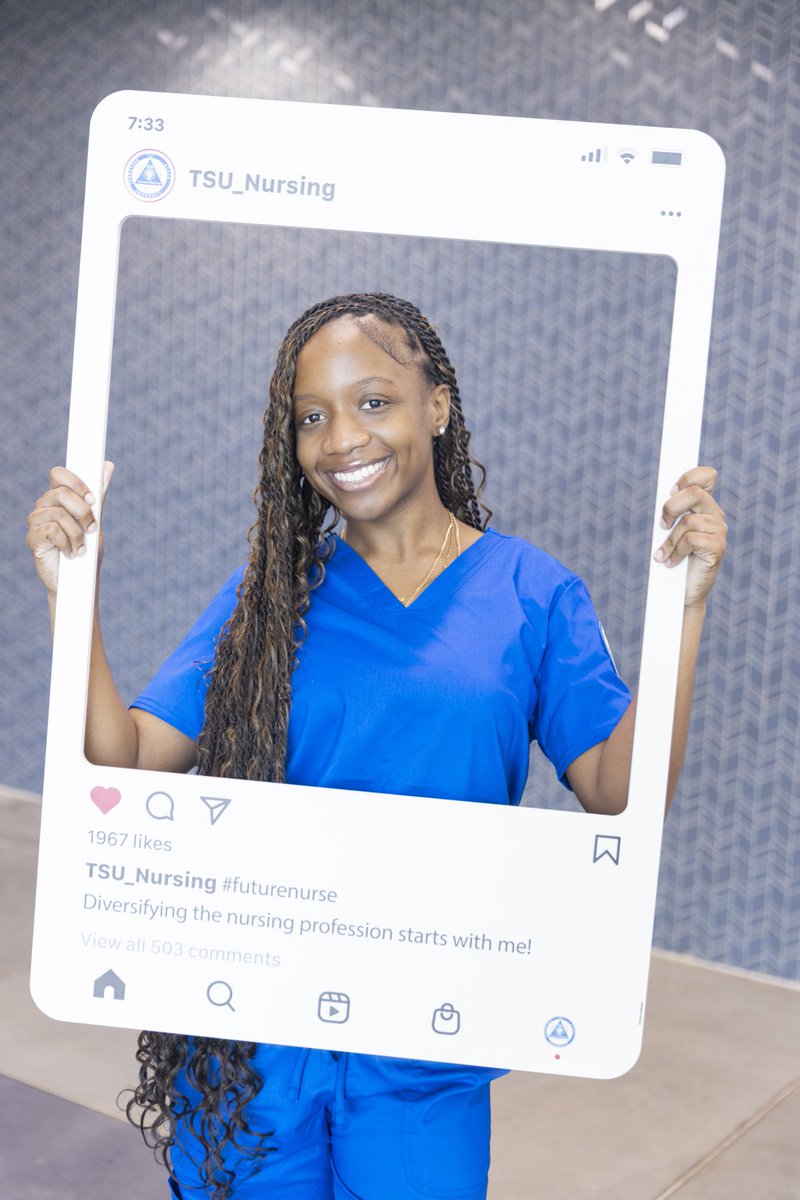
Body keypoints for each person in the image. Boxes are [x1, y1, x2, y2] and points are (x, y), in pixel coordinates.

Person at [27, 292, 726, 1200]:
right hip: (248, 1035)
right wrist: (67, 595)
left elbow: (625, 795)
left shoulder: (530, 593)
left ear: (436, 405)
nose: (341, 438)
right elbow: (120, 762)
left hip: (423, 1036)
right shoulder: (270, 600)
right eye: (311, 417)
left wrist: (686, 608)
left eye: (373, 401)